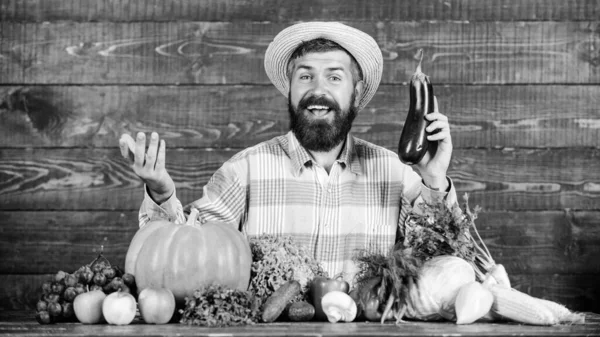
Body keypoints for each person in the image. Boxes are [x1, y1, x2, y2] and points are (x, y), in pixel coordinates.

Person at [119, 22, 457, 284]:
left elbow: (442, 260)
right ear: (291, 89)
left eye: (334, 77)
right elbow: (183, 250)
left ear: (356, 92)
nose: (318, 90)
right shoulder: (246, 171)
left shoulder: (395, 173)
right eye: (305, 76)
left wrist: (433, 178)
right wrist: (162, 193)